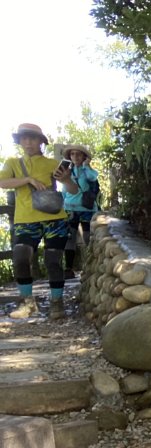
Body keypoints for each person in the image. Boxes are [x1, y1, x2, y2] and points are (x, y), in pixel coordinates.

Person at [0, 123, 77, 319]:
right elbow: (2, 182)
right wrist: (28, 180)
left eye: (33, 138)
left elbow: (73, 190)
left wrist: (66, 179)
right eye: (24, 138)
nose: (28, 142)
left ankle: (57, 303)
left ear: (41, 142)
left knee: (53, 261)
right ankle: (28, 304)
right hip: (25, 220)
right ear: (19, 141)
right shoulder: (13, 163)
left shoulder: (52, 163)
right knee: (19, 258)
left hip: (54, 219)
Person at [60, 144, 100, 279]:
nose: (75, 156)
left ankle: (89, 266)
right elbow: (64, 191)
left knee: (88, 238)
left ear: (84, 156)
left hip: (86, 209)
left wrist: (86, 165)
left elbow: (93, 177)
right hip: (70, 209)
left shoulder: (87, 171)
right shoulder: (67, 172)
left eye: (78, 154)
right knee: (69, 239)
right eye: (72, 154)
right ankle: (68, 269)